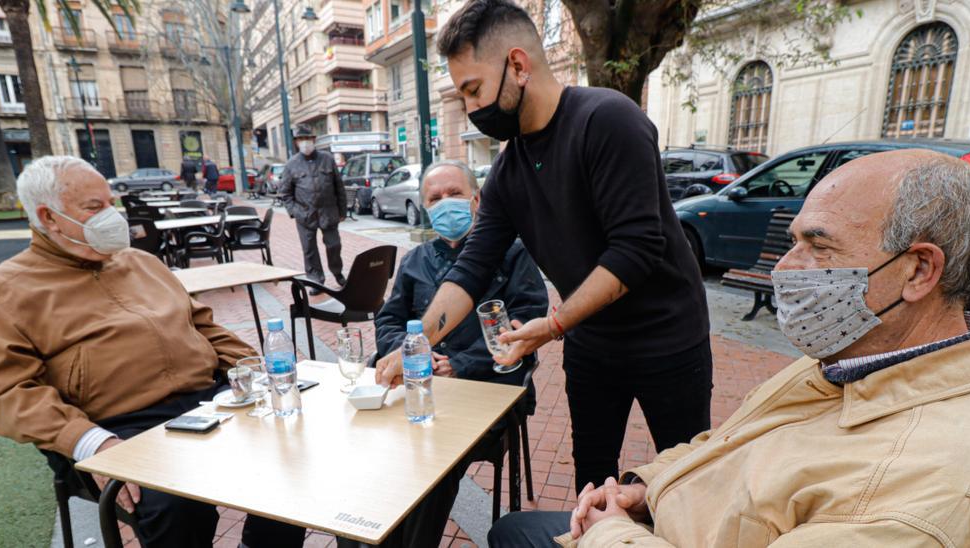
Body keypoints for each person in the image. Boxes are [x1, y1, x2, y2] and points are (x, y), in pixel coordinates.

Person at [487, 150, 970, 547]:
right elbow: (726, 447)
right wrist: (646, 487)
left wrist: (613, 532)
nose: (785, 269)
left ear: (919, 271)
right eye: (793, 241)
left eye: (819, 248)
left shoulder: (923, 504)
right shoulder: (865, 357)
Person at [375, 0, 712, 492]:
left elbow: (636, 249)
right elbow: (472, 267)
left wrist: (552, 325)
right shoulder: (509, 170)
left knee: (686, 482)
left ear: (517, 64)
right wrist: (417, 342)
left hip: (667, 339)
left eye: (474, 90)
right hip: (591, 344)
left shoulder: (608, 119)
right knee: (592, 480)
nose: (471, 109)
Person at [0, 156, 306, 548]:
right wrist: (92, 443)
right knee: (176, 502)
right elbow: (9, 395)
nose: (111, 216)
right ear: (50, 217)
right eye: (94, 208)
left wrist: (253, 371)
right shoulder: (2, 292)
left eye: (111, 203)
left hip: (207, 401)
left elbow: (204, 326)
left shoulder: (142, 263)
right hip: (115, 425)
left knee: (291, 452)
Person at [336, 160, 549, 548]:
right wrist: (410, 353)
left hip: (486, 392)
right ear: (424, 207)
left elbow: (527, 325)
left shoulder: (513, 255)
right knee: (363, 451)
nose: (445, 203)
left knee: (434, 463)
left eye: (455, 194)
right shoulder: (416, 260)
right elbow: (389, 320)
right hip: (417, 390)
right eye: (435, 198)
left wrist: (461, 364)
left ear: (476, 199)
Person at [282, 124, 347, 294]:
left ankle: (338, 273)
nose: (305, 143)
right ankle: (316, 280)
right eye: (301, 139)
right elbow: (285, 193)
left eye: (308, 139)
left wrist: (342, 211)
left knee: (334, 245)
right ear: (297, 142)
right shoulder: (291, 165)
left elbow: (338, 186)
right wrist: (295, 211)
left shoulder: (327, 159)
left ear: (314, 140)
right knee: (309, 249)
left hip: (328, 212)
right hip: (305, 214)